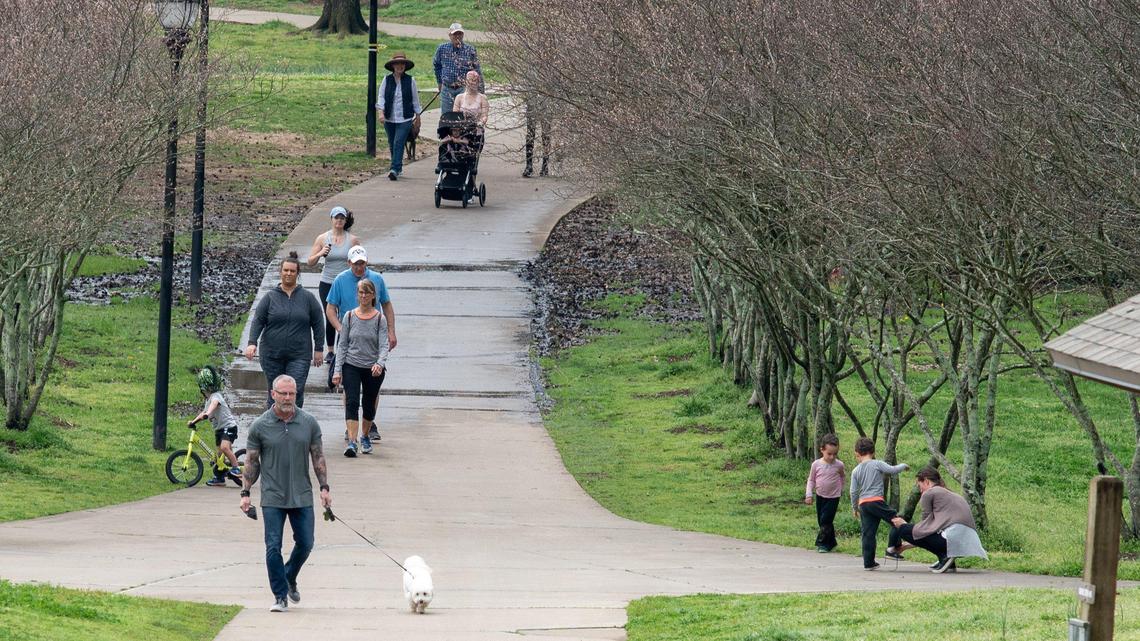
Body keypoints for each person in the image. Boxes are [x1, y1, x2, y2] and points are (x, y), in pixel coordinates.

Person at [240, 375, 331, 612]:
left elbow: (318, 456)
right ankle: (280, 596)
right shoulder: (260, 426)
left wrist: (324, 488)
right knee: (273, 547)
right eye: (283, 393)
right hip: (273, 496)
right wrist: (245, 492)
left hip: (301, 495)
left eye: (292, 393)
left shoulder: (309, 423)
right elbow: (251, 462)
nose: (288, 398)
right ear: (273, 394)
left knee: (306, 543)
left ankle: (289, 576)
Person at [325, 245, 397, 440]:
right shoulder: (340, 280)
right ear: (349, 263)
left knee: (373, 384)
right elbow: (330, 309)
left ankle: (369, 422)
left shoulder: (377, 279)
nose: (359, 267)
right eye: (356, 264)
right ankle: (351, 426)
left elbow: (387, 305)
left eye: (362, 263)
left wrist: (391, 331)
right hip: (350, 332)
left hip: (373, 334)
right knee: (350, 386)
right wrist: (340, 328)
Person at [246, 252, 324, 409]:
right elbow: (258, 321)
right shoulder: (270, 297)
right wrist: (252, 343)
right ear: (280, 272)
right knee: (275, 392)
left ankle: (295, 426)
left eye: (292, 271)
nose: (288, 274)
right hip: (272, 355)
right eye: (286, 270)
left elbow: (318, 323)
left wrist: (319, 349)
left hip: (299, 355)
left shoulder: (308, 298)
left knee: (295, 391)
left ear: (297, 273)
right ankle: (273, 427)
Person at [888, 467, 987, 574]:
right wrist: (906, 545)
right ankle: (948, 562)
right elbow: (930, 531)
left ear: (926, 481)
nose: (920, 489)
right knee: (913, 530)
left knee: (902, 528)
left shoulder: (929, 493)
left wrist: (903, 526)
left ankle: (944, 556)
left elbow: (924, 528)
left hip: (951, 540)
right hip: (967, 543)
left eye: (919, 485)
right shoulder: (951, 494)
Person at [331, 279, 390, 457]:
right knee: (352, 401)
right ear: (357, 295)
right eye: (360, 292)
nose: (363, 296)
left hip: (372, 367)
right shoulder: (349, 316)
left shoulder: (380, 318)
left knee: (369, 404)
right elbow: (342, 345)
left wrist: (379, 363)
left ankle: (365, 435)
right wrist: (337, 370)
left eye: (367, 293)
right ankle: (351, 441)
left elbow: (384, 344)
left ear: (373, 296)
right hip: (351, 365)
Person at [307, 206, 360, 367]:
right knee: (330, 316)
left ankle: (341, 350)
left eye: (342, 218)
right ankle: (330, 351)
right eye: (336, 218)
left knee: (344, 315)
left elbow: (361, 261)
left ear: (345, 221)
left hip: (346, 282)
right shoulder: (322, 238)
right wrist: (320, 252)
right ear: (331, 219)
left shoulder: (352, 240)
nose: (339, 221)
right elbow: (310, 262)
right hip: (327, 282)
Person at [849, 436, 908, 571]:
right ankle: (893, 547)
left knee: (868, 533)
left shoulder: (855, 470)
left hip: (863, 504)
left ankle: (868, 563)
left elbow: (853, 492)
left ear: (857, 453)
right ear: (873, 452)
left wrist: (854, 507)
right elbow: (892, 470)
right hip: (876, 501)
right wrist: (903, 466)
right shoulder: (877, 463)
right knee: (897, 520)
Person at [191, 365, 241, 487]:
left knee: (224, 448)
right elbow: (203, 412)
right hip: (219, 429)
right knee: (219, 457)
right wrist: (193, 422)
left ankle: (236, 468)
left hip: (229, 427)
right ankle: (219, 478)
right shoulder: (208, 400)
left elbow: (214, 405)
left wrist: (208, 413)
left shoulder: (216, 396)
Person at [376, 52, 422, 181]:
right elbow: (381, 96)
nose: (400, 66)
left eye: (402, 64)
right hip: (389, 117)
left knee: (399, 142)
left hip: (405, 117)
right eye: (397, 64)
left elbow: (415, 99)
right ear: (393, 66)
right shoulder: (386, 79)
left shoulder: (410, 80)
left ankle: (394, 169)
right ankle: (398, 167)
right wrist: (381, 112)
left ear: (405, 66)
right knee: (392, 142)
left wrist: (418, 116)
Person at [805, 433, 844, 553]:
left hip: (834, 497)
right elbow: (811, 480)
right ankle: (832, 542)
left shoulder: (839, 465)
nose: (832, 457)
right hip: (820, 496)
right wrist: (809, 494)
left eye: (835, 454)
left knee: (825, 520)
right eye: (829, 454)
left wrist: (841, 489)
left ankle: (822, 544)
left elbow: (842, 477)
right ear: (822, 450)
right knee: (821, 520)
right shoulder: (816, 465)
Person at [433, 22, 482, 113]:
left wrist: (481, 90)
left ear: (463, 34)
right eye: (455, 34)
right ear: (450, 35)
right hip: (447, 89)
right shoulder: (442, 48)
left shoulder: (470, 50)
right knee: (447, 117)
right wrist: (440, 82)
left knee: (463, 116)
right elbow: (437, 65)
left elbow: (477, 70)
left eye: (459, 33)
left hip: (464, 88)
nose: (457, 36)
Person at [522, 96, 551, 178]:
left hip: (546, 101)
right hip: (532, 100)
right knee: (530, 134)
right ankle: (529, 166)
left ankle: (545, 166)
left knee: (546, 135)